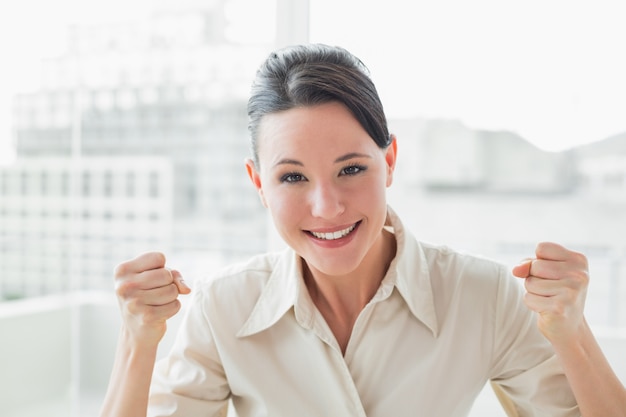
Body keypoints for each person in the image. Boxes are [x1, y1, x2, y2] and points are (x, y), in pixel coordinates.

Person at [99, 44, 626, 417]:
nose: (327, 206)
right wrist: (136, 343)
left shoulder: (483, 296)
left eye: (352, 168)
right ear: (258, 183)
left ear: (390, 160)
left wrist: (572, 333)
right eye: (292, 177)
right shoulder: (224, 309)